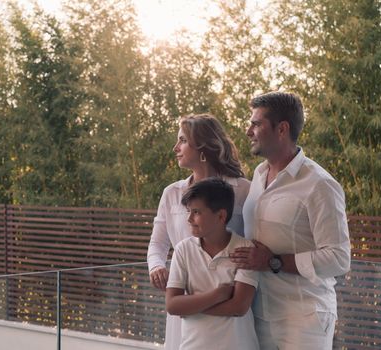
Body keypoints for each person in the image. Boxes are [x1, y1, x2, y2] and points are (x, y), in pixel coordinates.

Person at [230, 92, 351, 349]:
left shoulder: (320, 184)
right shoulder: (259, 174)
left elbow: (339, 258)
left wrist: (273, 261)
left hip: (304, 317)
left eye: (256, 124)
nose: (248, 131)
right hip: (259, 313)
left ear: (282, 129)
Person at [147, 113, 250, 350]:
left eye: (182, 140)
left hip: (230, 299)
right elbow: (157, 244)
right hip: (183, 294)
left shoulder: (243, 190)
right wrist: (157, 266)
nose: (176, 147)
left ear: (203, 147)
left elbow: (254, 241)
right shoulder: (172, 193)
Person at [165, 177, 259, 350]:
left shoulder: (245, 250)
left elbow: (238, 307)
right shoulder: (183, 250)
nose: (189, 219)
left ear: (221, 216)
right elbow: (172, 306)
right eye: (188, 212)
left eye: (196, 212)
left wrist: (190, 306)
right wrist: (217, 295)